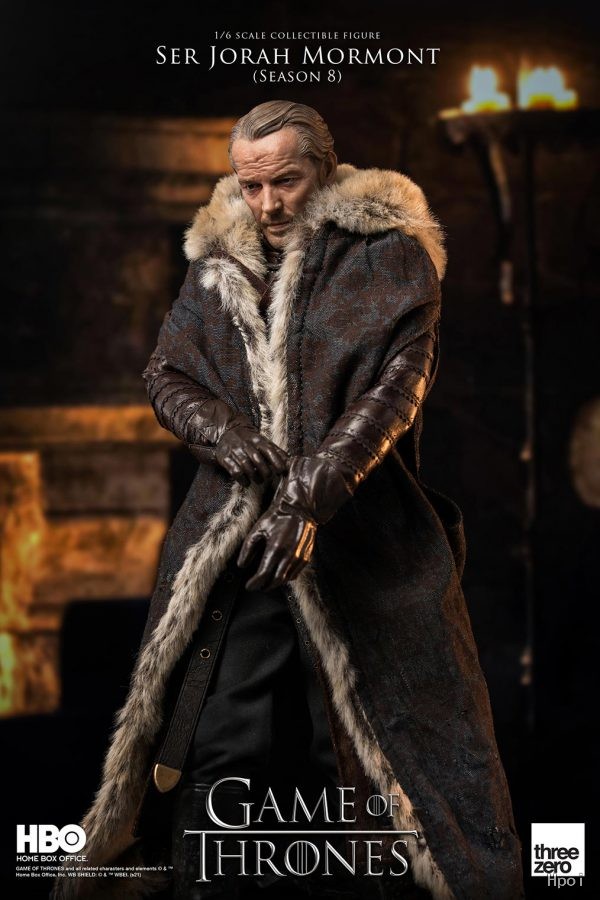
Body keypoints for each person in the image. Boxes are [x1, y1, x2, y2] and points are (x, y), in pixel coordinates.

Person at [52, 101, 524, 900]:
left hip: (363, 538)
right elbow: (167, 373)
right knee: (213, 743)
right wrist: (225, 432)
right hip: (237, 539)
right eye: (251, 185)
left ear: (326, 169)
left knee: (383, 756)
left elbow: (394, 392)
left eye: (286, 182)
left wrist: (308, 500)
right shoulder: (218, 261)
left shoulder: (389, 257)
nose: (267, 204)